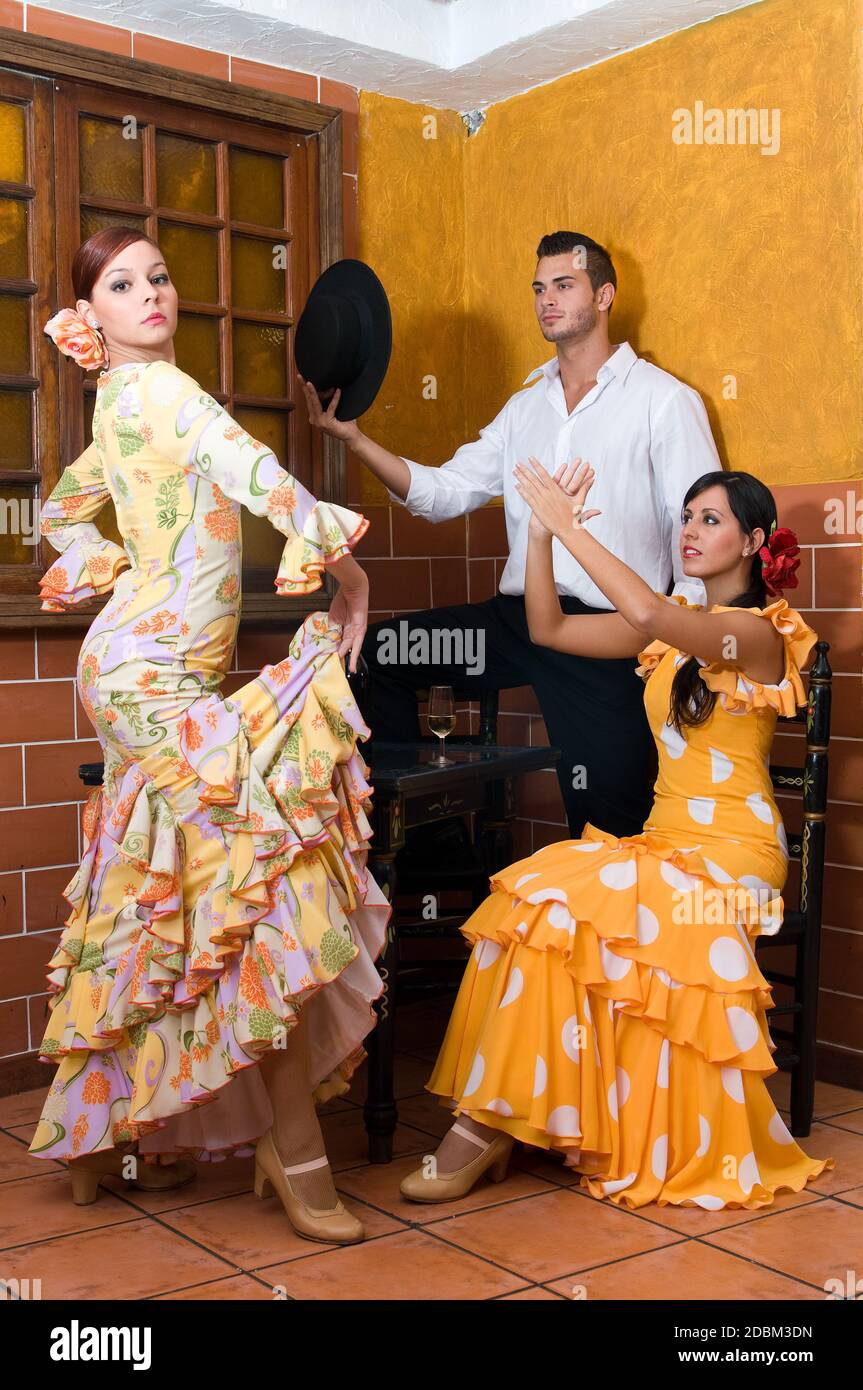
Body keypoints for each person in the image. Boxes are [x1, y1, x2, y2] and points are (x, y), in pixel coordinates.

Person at [28, 227, 389, 1246]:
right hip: (151, 677)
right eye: (119, 284)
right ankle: (291, 1148)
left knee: (168, 892)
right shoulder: (167, 396)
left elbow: (59, 508)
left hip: (145, 670)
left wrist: (106, 564)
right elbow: (260, 474)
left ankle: (110, 1139)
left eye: (158, 276)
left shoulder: (123, 399)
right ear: (89, 316)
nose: (149, 293)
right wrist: (350, 573)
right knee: (257, 885)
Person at [398, 459, 835, 1210]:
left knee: (577, 897)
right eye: (686, 516)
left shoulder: (757, 637)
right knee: (535, 898)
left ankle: (493, 1131)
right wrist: (538, 537)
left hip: (734, 858)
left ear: (754, 540)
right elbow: (549, 627)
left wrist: (572, 527)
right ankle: (494, 1122)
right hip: (664, 849)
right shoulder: (672, 637)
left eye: (710, 520)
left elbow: (650, 616)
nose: (689, 531)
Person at [300, 230, 722, 837]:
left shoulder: (663, 401)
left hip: (603, 635)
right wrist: (355, 439)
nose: (547, 299)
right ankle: (430, 839)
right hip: (514, 623)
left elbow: (698, 543)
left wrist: (670, 646)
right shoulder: (524, 407)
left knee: (610, 819)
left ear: (604, 296)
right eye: (539, 288)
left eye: (564, 285)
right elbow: (442, 494)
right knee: (377, 655)